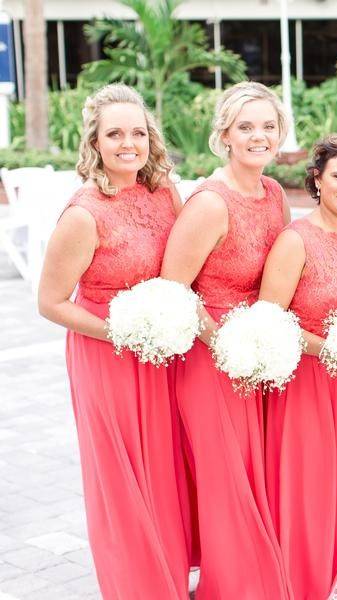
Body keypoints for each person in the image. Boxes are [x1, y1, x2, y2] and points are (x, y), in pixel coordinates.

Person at [37, 84, 189, 598]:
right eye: (115, 133)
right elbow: (51, 302)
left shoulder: (166, 192)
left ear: (152, 139)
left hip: (164, 350)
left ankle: (171, 574)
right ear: (95, 143)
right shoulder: (83, 213)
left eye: (138, 132)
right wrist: (124, 332)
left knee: (166, 465)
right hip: (108, 352)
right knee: (124, 476)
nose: (129, 142)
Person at [160, 81, 292, 599]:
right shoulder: (210, 204)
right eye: (246, 127)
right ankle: (230, 587)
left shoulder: (275, 193)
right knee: (225, 476)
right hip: (210, 357)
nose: (258, 136)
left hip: (260, 354)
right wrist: (224, 342)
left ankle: (255, 573)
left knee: (255, 470)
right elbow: (174, 287)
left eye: (267, 126)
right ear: (225, 136)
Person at [259, 136, 337, 600]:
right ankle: (304, 584)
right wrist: (331, 350)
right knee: (311, 491)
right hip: (310, 383)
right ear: (316, 180)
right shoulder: (296, 240)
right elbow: (270, 318)